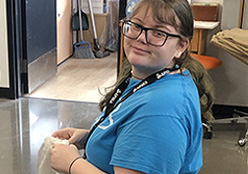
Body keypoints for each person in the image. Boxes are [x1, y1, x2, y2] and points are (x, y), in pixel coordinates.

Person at [50, 0, 214, 173]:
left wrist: (72, 164)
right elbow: (136, 134)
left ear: (180, 46)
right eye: (136, 25)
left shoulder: (160, 110)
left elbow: (150, 126)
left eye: (158, 33)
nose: (141, 38)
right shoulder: (157, 78)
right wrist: (91, 138)